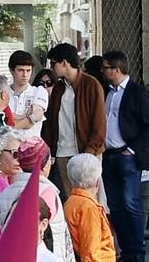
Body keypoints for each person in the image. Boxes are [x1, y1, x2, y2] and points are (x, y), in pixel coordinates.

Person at [99, 51, 149, 262]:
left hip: (127, 154)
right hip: (109, 153)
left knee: (131, 203)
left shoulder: (136, 92)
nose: (103, 72)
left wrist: (132, 149)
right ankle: (125, 250)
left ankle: (137, 250)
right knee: (115, 205)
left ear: (116, 69)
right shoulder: (107, 92)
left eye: (106, 68)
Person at [40, 45, 105, 206]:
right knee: (71, 199)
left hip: (87, 150)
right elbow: (51, 121)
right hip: (63, 150)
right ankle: (74, 231)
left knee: (90, 199)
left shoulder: (91, 84)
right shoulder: (59, 88)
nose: (52, 68)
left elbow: (99, 123)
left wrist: (90, 152)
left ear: (64, 63)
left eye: (53, 63)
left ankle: (94, 231)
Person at [3, 49, 47, 132]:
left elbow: (37, 115)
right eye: (20, 70)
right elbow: (1, 120)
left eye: (28, 70)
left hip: (32, 144)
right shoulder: (3, 93)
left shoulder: (39, 91)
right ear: (11, 70)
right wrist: (28, 117)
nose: (25, 75)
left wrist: (11, 120)